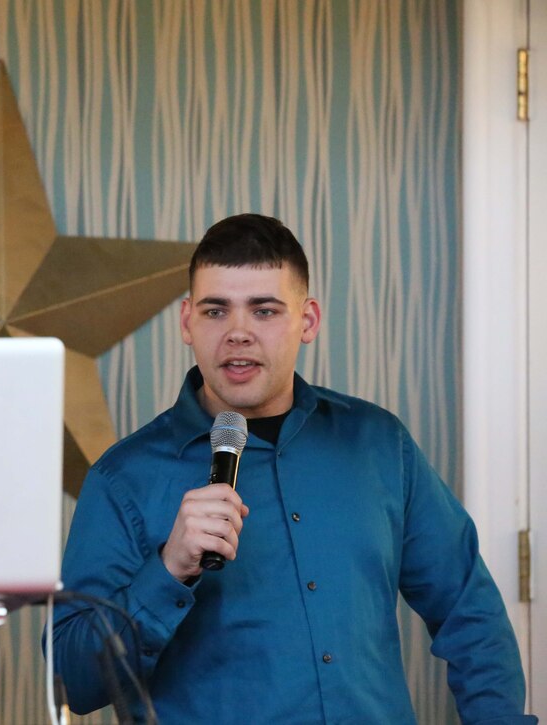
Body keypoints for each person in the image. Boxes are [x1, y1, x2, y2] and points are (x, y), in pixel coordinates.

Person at [50, 213, 533, 723]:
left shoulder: (379, 444)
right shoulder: (122, 479)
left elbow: (469, 611)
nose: (238, 333)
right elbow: (70, 681)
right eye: (216, 311)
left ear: (308, 321)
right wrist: (169, 569)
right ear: (187, 322)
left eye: (264, 310)